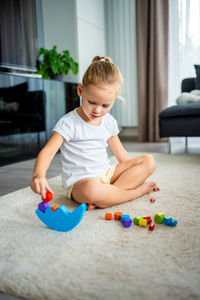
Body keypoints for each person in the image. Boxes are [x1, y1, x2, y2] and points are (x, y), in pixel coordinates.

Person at [30, 56, 159, 210]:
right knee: (92, 189)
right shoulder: (68, 123)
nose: (97, 110)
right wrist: (39, 175)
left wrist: (136, 172)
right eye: (91, 102)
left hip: (107, 175)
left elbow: (122, 156)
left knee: (149, 161)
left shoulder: (109, 121)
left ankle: (107, 197)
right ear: (80, 90)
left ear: (114, 99)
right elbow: (48, 151)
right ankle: (133, 193)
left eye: (105, 105)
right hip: (81, 183)